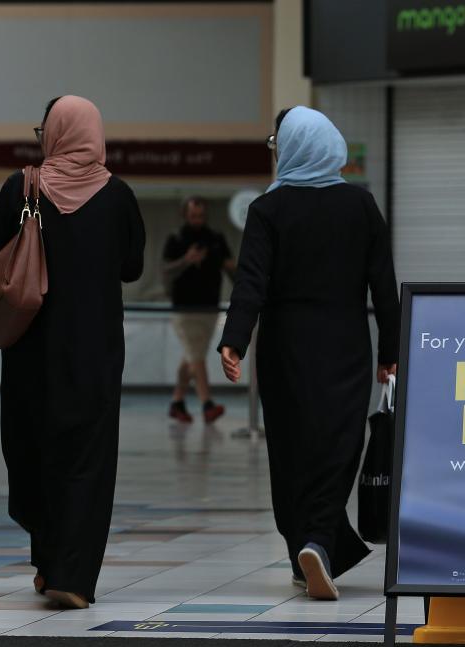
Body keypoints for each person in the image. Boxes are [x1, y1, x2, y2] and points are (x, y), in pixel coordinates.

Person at [218, 107, 400, 600]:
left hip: (283, 348)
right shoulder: (360, 206)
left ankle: (307, 544)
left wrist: (234, 339)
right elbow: (384, 284)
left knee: (290, 450)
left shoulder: (267, 210)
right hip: (343, 344)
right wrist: (391, 349)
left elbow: (250, 282)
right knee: (339, 447)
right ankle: (316, 543)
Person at [0, 95, 145, 609]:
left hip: (31, 349)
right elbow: (133, 266)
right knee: (87, 458)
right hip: (93, 351)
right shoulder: (118, 196)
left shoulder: (20, 187)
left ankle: (50, 562)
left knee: (35, 449)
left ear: (52, 134)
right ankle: (70, 573)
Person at [162, 196, 236, 423]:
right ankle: (207, 404)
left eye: (201, 216)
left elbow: (231, 269)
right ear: (185, 215)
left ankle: (177, 401)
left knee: (193, 356)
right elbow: (165, 270)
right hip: (184, 308)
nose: (197, 220)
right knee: (196, 356)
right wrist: (186, 260)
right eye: (193, 216)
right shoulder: (175, 239)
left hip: (209, 307)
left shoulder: (215, 239)